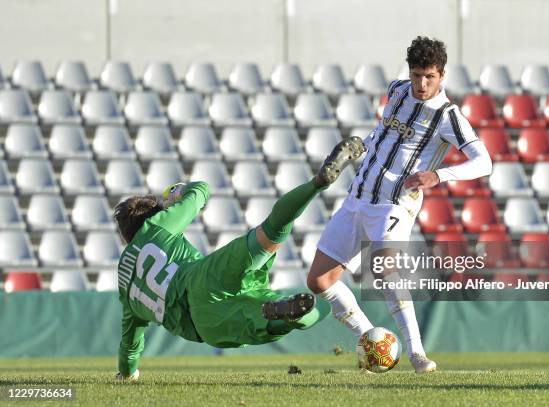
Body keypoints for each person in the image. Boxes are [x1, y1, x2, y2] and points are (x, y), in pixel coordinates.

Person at [306, 36, 493, 373]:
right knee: (318, 281)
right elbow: (385, 135)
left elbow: (484, 162)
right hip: (358, 197)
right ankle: (372, 339)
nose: (421, 84)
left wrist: (439, 175)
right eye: (417, 74)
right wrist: (361, 149)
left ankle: (417, 353)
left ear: (442, 76)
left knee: (385, 270)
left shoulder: (447, 115)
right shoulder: (396, 90)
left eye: (429, 77)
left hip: (393, 205)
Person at [114, 137, 366, 381]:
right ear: (152, 217)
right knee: (273, 229)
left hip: (205, 325)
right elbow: (201, 190)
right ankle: (318, 183)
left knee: (299, 314)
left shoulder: (125, 283)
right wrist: (176, 193)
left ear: (126, 237)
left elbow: (130, 342)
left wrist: (128, 372)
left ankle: (286, 314)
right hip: (202, 277)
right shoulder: (155, 227)